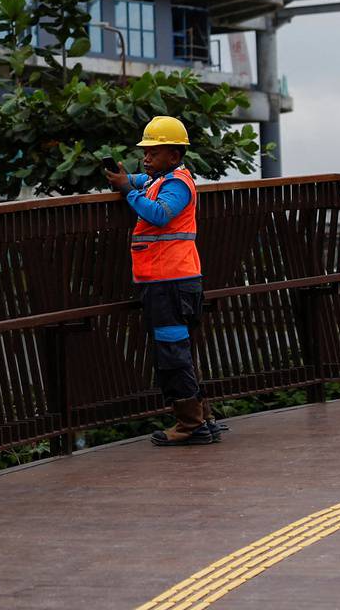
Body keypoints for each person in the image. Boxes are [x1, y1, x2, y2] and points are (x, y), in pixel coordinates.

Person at [105, 115, 219, 447]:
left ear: (174, 155)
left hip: (170, 280)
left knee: (172, 351)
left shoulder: (177, 185)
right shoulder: (164, 178)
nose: (146, 157)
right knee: (177, 349)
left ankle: (191, 424)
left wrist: (127, 191)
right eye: (146, 151)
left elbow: (158, 214)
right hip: (169, 280)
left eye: (154, 152)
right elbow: (142, 180)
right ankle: (203, 419)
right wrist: (127, 180)